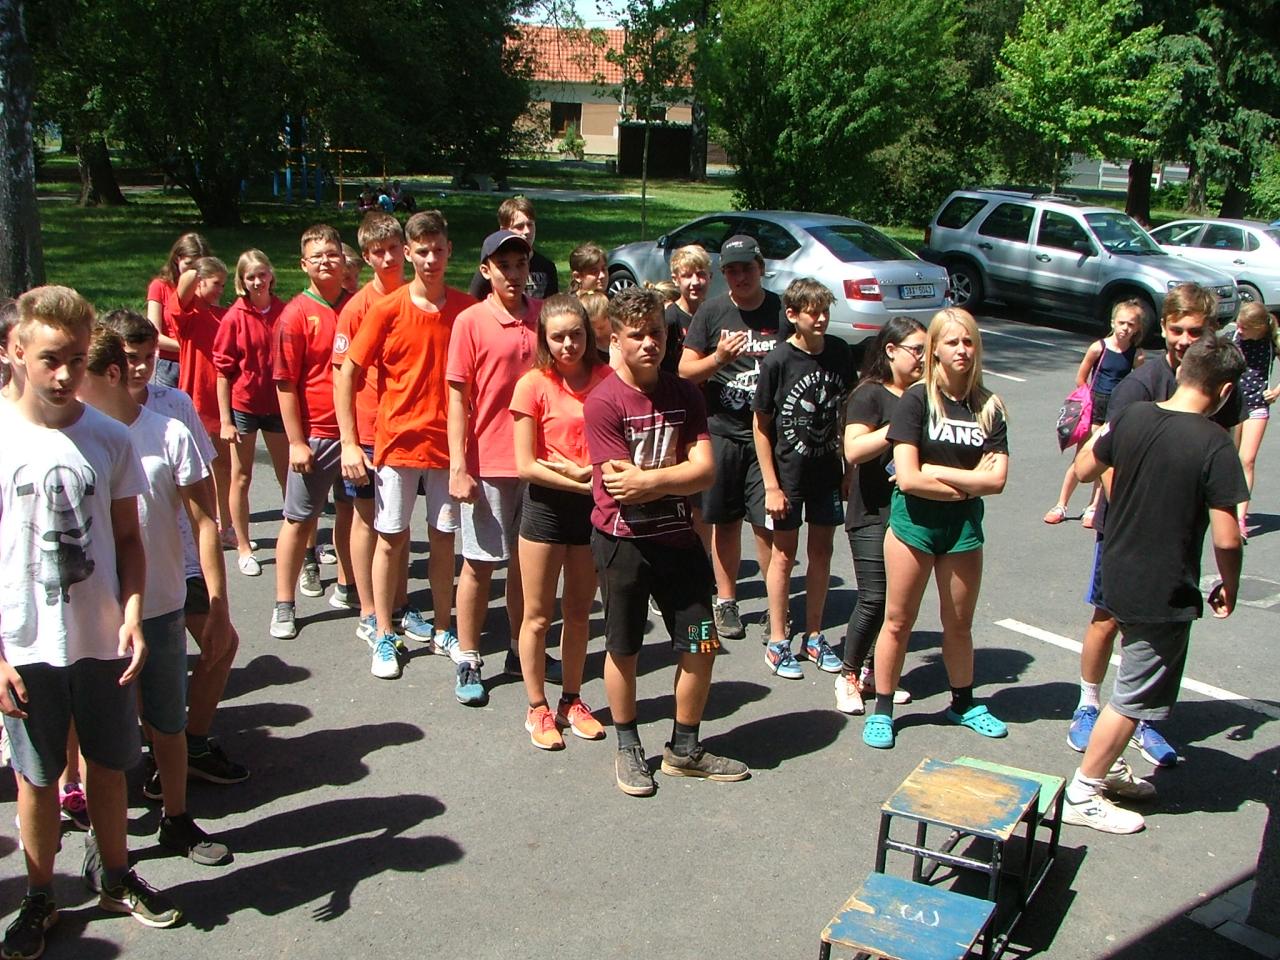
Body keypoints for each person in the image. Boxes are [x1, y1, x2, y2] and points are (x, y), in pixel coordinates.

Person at [0, 287, 181, 960]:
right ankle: (39, 893)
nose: (64, 374)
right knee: (38, 775)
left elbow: (128, 539)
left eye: (76, 360)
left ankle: (115, 875)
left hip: (102, 637)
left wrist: (132, 613)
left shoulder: (108, 437)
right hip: (25, 642)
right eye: (50, 359)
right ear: (15, 352)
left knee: (109, 764)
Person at [1066, 336, 1247, 834]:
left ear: (1183, 371)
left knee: (1130, 678)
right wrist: (1229, 583)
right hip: (1162, 586)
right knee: (1136, 696)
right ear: (1225, 391)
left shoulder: (1134, 415)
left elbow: (1085, 466)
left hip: (1117, 570)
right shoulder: (1215, 443)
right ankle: (1084, 790)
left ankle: (1107, 768)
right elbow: (1227, 537)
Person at [585, 286, 750, 796]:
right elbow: (621, 486)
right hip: (624, 543)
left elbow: (705, 471)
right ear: (616, 340)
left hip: (679, 540)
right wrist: (674, 477)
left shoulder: (686, 394)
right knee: (624, 647)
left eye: (656, 332)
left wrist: (653, 480)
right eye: (636, 335)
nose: (649, 344)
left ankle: (685, 748)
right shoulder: (604, 402)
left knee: (701, 642)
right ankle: (628, 745)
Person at [78, 325, 231, 867]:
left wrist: (218, 605)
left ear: (109, 375)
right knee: (103, 735)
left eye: (80, 375)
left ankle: (176, 818)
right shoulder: (76, 437)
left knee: (167, 723)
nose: (69, 387)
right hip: (96, 616)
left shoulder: (168, 433)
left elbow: (206, 522)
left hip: (163, 603)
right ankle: (105, 839)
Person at [98, 309, 248, 786]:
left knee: (221, 644)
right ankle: (153, 754)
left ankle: (193, 742)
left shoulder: (174, 405)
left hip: (180, 560)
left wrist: (214, 565)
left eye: (148, 356)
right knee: (136, 665)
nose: (141, 367)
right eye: (130, 358)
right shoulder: (92, 414)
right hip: (120, 570)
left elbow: (203, 493)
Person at [861, 307, 1010, 750]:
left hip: (962, 530)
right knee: (897, 621)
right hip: (913, 526)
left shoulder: (989, 406)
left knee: (959, 624)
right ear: (935, 351)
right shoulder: (916, 400)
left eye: (968, 341)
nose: (961, 350)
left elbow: (997, 481)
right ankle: (883, 709)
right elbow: (908, 478)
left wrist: (942, 475)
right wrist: (969, 482)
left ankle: (963, 703)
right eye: (951, 342)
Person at [340, 209, 475, 679]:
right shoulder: (387, 308)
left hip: (447, 447)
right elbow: (347, 373)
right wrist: (349, 443)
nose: (431, 259)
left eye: (438, 250)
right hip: (396, 443)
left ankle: (443, 628)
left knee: (443, 539)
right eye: (422, 251)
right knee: (391, 538)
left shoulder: (465, 310)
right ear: (410, 254)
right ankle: (382, 632)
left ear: (449, 251)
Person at [448, 229, 563, 704]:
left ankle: (521, 649)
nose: (514, 275)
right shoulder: (470, 321)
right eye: (504, 266)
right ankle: (469, 656)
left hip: (540, 463)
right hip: (490, 462)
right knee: (479, 565)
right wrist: (459, 466)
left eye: (521, 265)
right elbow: (457, 399)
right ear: (486, 271)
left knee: (527, 567)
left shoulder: (544, 317)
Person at [511, 295, 611, 749]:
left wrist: (591, 478)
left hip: (591, 511)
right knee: (537, 616)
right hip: (546, 509)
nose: (568, 344)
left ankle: (572, 700)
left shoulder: (608, 379)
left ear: (588, 334)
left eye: (576, 334)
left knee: (578, 612)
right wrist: (581, 479)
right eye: (558, 337)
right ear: (545, 340)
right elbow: (526, 465)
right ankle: (537, 707)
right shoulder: (533, 384)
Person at [679, 234, 790, 641]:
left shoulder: (781, 310)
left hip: (767, 436)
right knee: (725, 522)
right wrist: (719, 358)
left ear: (761, 268)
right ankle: (726, 601)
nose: (740, 277)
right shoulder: (712, 311)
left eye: (747, 268)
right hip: (722, 431)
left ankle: (776, 605)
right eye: (731, 270)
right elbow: (685, 371)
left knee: (766, 524)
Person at [753, 279, 856, 680]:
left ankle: (814, 636)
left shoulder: (840, 353)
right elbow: (761, 426)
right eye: (813, 312)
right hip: (788, 477)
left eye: (825, 311)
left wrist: (849, 470)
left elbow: (849, 416)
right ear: (793, 315)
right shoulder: (778, 361)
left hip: (827, 473)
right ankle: (779, 640)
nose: (821, 319)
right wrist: (771, 485)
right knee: (783, 555)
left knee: (822, 552)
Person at [837, 317, 927, 715]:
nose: (923, 358)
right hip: (871, 512)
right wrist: (896, 427)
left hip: (910, 511)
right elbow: (854, 450)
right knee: (873, 598)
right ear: (891, 351)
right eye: (916, 350)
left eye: (927, 350)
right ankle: (848, 675)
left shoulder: (924, 394)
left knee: (897, 604)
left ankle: (876, 672)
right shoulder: (870, 394)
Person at [269, 223, 351, 639]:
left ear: (343, 259)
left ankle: (348, 586)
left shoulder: (356, 306)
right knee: (299, 519)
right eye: (316, 256)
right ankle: (284, 604)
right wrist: (297, 442)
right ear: (304, 265)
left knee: (352, 514)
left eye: (331, 254)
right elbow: (285, 383)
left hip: (354, 434)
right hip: (315, 434)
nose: (325, 262)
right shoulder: (295, 315)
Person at [331, 212, 407, 628]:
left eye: (394, 248)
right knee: (366, 518)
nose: (388, 258)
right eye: (379, 252)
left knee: (399, 522)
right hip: (368, 430)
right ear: (366, 257)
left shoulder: (417, 296)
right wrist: (348, 442)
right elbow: (340, 376)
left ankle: (399, 603)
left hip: (407, 429)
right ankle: (368, 608)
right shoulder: (357, 308)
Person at [214, 249, 289, 576]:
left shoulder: (285, 311)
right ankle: (243, 546)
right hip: (244, 405)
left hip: (278, 405)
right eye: (250, 277)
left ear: (271, 275)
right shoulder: (235, 316)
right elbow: (222, 371)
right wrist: (225, 420)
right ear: (242, 281)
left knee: (288, 475)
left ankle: (301, 541)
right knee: (241, 476)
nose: (258, 282)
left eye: (262, 274)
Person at [1044, 301, 1145, 527]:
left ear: (1137, 328)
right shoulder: (1099, 348)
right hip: (1095, 409)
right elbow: (1081, 378)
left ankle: (1093, 507)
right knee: (1082, 457)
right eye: (1121, 323)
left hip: (1117, 411)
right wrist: (1086, 402)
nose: (1125, 328)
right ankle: (1061, 504)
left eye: (1131, 324)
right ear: (1112, 322)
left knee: (1103, 461)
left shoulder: (1136, 355)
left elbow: (1138, 383)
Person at [168, 257, 233, 547]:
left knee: (223, 465)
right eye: (216, 283)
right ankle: (195, 524)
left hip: (219, 400)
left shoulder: (224, 315)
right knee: (192, 467)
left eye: (224, 284)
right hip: (193, 398)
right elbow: (182, 290)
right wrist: (196, 269)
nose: (220, 289)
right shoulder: (188, 315)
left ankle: (226, 525)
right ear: (199, 282)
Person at [1229, 300, 1280, 539]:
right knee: (1229, 458)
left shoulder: (1272, 339)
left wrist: (1276, 391)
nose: (1239, 330)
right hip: (1232, 404)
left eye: (1245, 328)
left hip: (1257, 405)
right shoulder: (1232, 337)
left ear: (1258, 328)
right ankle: (1224, 508)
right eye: (1238, 325)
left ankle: (1240, 518)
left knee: (1247, 460)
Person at [146, 232, 211, 387]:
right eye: (189, 264)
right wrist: (188, 347)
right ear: (177, 259)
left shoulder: (205, 290)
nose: (193, 271)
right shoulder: (160, 287)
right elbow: (154, 335)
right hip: (168, 364)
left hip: (197, 363)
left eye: (199, 266)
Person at [468, 197, 560, 300]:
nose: (527, 231)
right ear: (503, 230)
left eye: (530, 225)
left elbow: (553, 305)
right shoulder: (494, 266)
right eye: (519, 226)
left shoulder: (547, 267)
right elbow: (473, 300)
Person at [662, 244, 710, 374]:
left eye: (700, 274)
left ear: (710, 276)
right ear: (675, 279)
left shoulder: (714, 312)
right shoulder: (670, 318)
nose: (695, 282)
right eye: (687, 276)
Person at [579, 291, 612, 364]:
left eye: (601, 328)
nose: (597, 334)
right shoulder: (586, 348)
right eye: (591, 330)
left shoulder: (620, 340)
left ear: (610, 318)